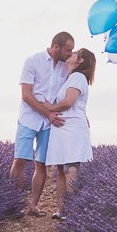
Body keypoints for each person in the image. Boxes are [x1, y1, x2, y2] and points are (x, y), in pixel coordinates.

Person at [9, 31, 75, 217]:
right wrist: (48, 113)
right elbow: (26, 95)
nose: (70, 53)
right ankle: (12, 203)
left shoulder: (66, 67)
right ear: (56, 47)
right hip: (28, 118)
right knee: (20, 160)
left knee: (42, 164)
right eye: (67, 50)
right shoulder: (33, 61)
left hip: (49, 124)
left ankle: (32, 205)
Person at [43, 48, 97, 220]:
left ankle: (71, 211)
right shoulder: (70, 78)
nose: (71, 53)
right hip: (63, 127)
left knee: (70, 168)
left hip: (72, 127)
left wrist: (49, 108)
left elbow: (68, 101)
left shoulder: (77, 77)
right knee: (60, 169)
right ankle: (62, 209)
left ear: (80, 61)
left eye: (74, 53)